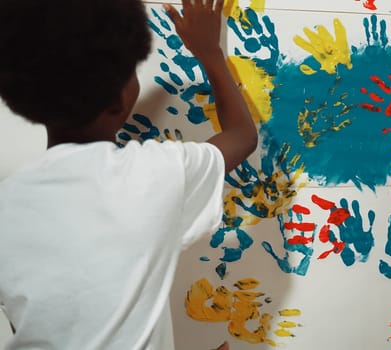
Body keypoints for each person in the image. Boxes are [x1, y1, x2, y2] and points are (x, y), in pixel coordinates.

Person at [0, 0, 257, 348]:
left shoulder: (7, 206)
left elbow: (37, 324)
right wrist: (209, 52)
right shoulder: (157, 174)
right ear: (120, 99)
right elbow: (242, 136)